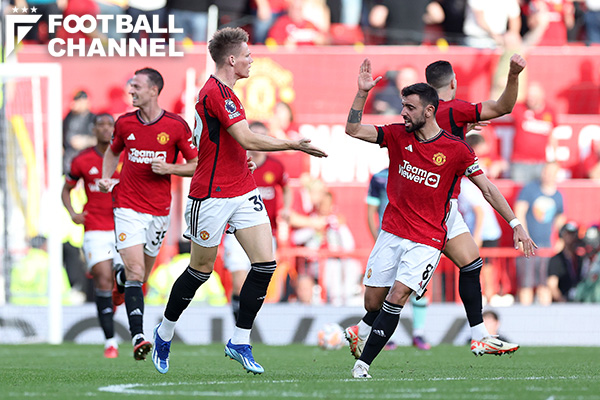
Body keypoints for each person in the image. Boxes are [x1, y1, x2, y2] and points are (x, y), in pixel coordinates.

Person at [151, 27, 327, 376]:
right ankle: (165, 331)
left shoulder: (227, 93)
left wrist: (236, 158)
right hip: (210, 195)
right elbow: (246, 137)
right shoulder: (215, 92)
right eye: (247, 55)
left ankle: (240, 340)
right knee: (200, 271)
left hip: (243, 190)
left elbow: (225, 141)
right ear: (231, 59)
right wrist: (293, 144)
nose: (251, 60)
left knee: (265, 265)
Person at [343, 59, 535, 379]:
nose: (403, 112)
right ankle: (362, 329)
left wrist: (516, 224)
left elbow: (487, 187)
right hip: (397, 227)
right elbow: (352, 130)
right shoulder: (403, 132)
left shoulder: (456, 145)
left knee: (403, 292)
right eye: (403, 107)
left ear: (429, 109)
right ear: (452, 83)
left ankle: (364, 364)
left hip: (433, 227)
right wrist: (362, 93)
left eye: (408, 108)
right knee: (373, 302)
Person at [98, 67, 199, 361]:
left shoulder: (176, 126)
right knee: (136, 272)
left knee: (140, 276)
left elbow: (197, 164)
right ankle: (138, 337)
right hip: (126, 205)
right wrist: (107, 177)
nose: (131, 90)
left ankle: (120, 281)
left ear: (154, 90)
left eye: (137, 86)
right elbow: (113, 152)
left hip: (158, 211)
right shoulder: (124, 123)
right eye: (130, 86)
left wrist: (170, 168)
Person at [62, 113, 122, 358]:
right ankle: (110, 342)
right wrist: (73, 213)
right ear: (94, 129)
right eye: (101, 125)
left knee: (126, 279)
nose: (106, 128)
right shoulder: (83, 159)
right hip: (95, 227)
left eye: (110, 125)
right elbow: (66, 189)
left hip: (124, 227)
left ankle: (118, 295)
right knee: (103, 280)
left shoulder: (126, 156)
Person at [223, 121, 291, 321]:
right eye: (254, 135)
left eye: (262, 135)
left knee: (259, 284)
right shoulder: (236, 162)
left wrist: (286, 208)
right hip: (236, 231)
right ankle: (239, 326)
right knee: (239, 282)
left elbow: (286, 187)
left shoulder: (276, 166)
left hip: (266, 233)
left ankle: (247, 325)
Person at [365, 167, 431, 350]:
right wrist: (378, 241)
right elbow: (371, 212)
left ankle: (418, 334)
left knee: (418, 286)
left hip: (416, 238)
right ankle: (385, 334)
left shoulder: (418, 173)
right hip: (389, 240)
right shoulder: (379, 178)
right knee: (385, 289)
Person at [514, 161, 565, 305]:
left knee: (545, 284)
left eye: (551, 173)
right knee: (526, 284)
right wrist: (523, 238)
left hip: (546, 246)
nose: (547, 175)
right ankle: (525, 315)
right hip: (529, 244)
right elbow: (519, 211)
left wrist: (560, 240)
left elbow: (560, 218)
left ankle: (545, 316)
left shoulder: (558, 195)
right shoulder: (530, 189)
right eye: (546, 171)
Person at [510, 82, 558, 183]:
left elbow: (552, 137)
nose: (530, 99)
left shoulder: (550, 112)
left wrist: (554, 160)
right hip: (520, 163)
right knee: (519, 190)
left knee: (539, 191)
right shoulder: (519, 108)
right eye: (529, 96)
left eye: (533, 96)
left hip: (541, 163)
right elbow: (503, 108)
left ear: (541, 96)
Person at [547, 222, 584, 302]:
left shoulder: (580, 259)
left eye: (573, 234)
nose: (571, 237)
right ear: (562, 236)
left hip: (578, 300)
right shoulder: (556, 260)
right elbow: (552, 285)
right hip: (563, 302)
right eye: (568, 234)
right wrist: (563, 301)